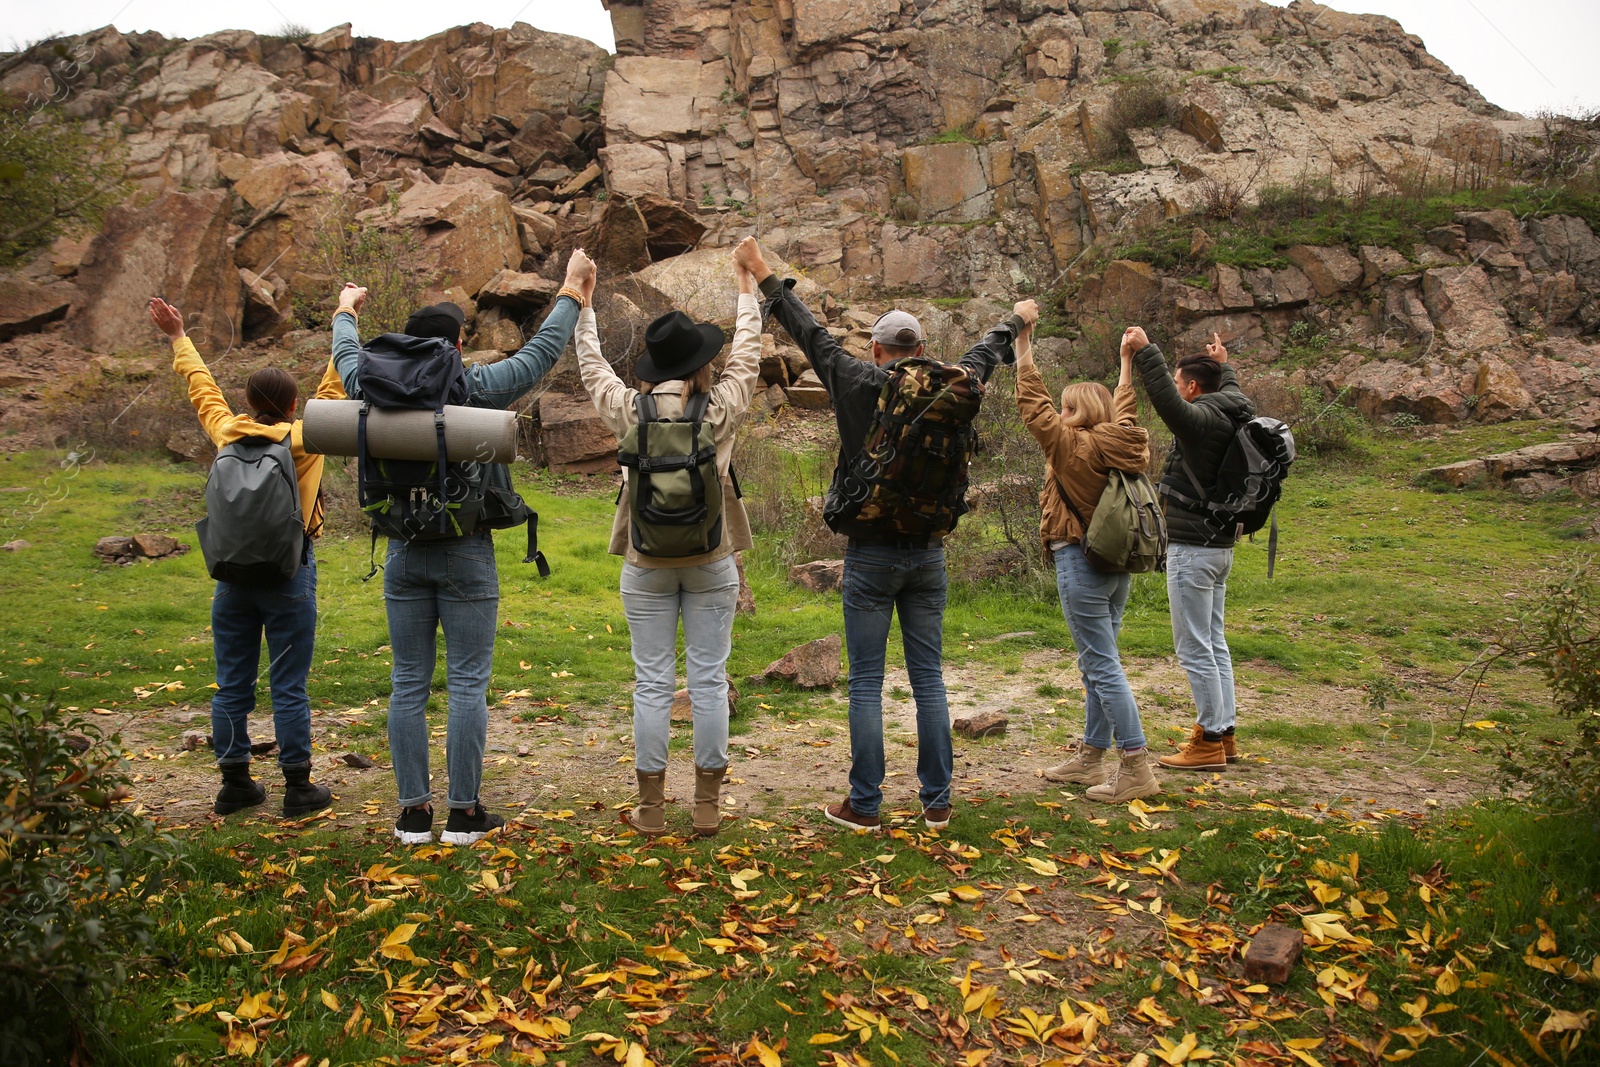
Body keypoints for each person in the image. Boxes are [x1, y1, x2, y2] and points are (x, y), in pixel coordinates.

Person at [734, 237, 1026, 832]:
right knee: (928, 678)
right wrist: (1018, 318)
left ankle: (864, 805)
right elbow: (988, 352)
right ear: (921, 350)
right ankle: (937, 802)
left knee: (866, 682)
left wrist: (764, 272)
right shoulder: (955, 382)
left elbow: (809, 332)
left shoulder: (856, 379)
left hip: (870, 555)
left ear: (877, 349)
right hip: (929, 554)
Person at [331, 250, 591, 844]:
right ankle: (465, 813)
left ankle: (412, 814)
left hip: (401, 550)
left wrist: (346, 309)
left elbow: (345, 352)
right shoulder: (471, 385)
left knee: (407, 682)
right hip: (467, 549)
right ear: (453, 345)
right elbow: (538, 357)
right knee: (468, 682)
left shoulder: (368, 385)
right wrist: (573, 291)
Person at [575, 238, 763, 838]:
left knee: (652, 682)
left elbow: (591, 367)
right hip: (712, 559)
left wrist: (582, 303)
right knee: (708, 680)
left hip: (645, 560)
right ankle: (707, 805)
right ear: (699, 362)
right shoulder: (719, 409)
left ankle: (652, 809)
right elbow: (750, 358)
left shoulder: (631, 410)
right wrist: (745, 286)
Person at [148, 296, 343, 818]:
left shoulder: (226, 432)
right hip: (289, 573)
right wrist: (344, 321)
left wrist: (177, 336)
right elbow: (333, 389)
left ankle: (235, 783)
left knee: (232, 682)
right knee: (288, 683)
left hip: (232, 574)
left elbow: (203, 391)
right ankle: (298, 789)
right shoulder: (303, 437)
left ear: (248, 401)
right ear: (293, 402)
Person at [1015, 318, 1159, 801]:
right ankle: (1091, 759)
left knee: (1100, 665)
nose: (1059, 411)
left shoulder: (1072, 446)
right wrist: (1125, 364)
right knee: (1100, 661)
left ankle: (1136, 766)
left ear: (1075, 411)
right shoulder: (1121, 442)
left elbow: (1033, 408)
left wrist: (1023, 344)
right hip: (1116, 565)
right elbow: (1127, 412)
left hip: (1080, 560)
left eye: (1066, 406)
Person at [1129, 327, 1253, 771]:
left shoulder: (1203, 419)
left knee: (1194, 647)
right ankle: (1224, 734)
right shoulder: (1236, 407)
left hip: (1194, 549)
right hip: (1220, 545)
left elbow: (1167, 403)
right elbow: (1229, 385)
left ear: (1194, 387)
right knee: (1214, 642)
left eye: (1183, 383)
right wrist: (1225, 362)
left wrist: (1147, 353)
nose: (1179, 389)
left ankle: (1207, 743)